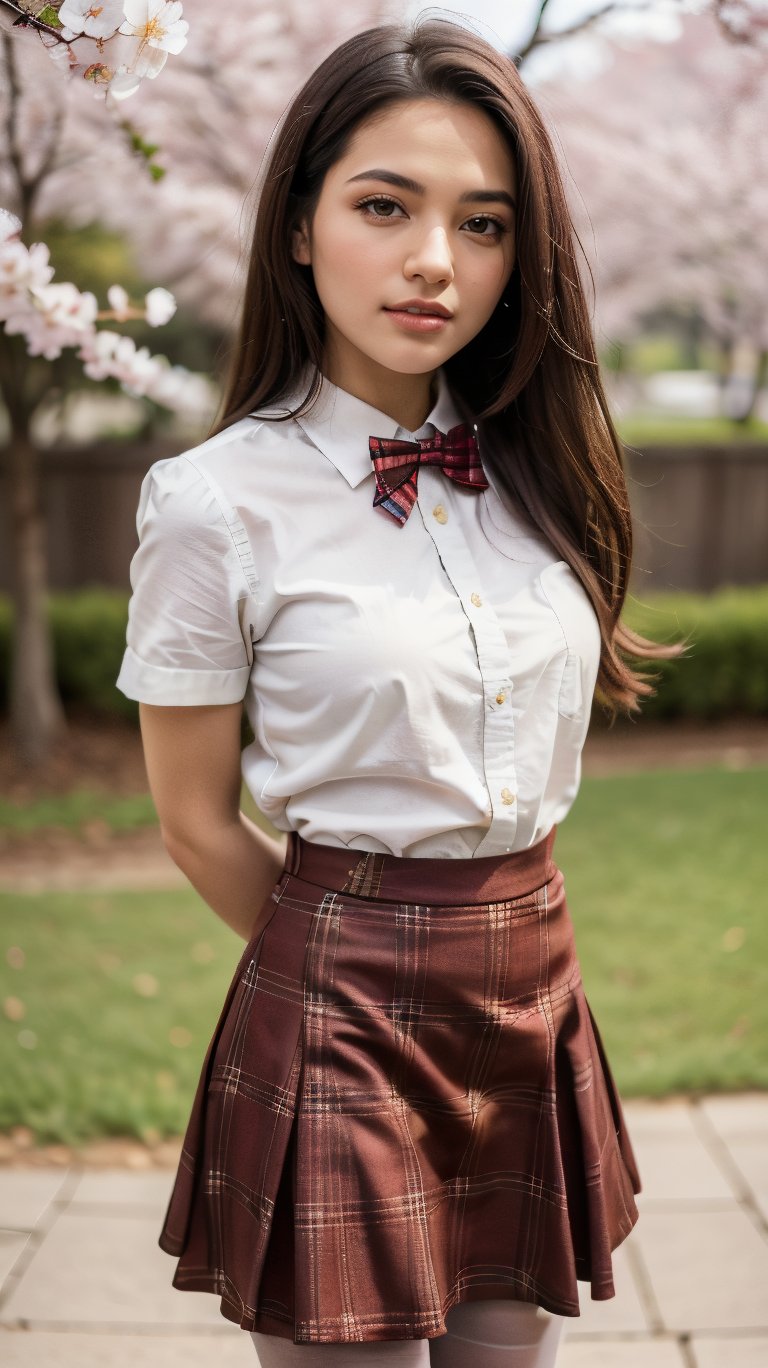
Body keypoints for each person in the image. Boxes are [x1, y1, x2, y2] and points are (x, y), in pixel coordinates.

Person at [116, 16, 676, 1367]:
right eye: (385, 205)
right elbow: (195, 822)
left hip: (533, 981)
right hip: (342, 1001)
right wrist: (341, 956)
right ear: (300, 225)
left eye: (484, 224)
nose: (436, 260)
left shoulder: (539, 476)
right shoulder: (214, 504)